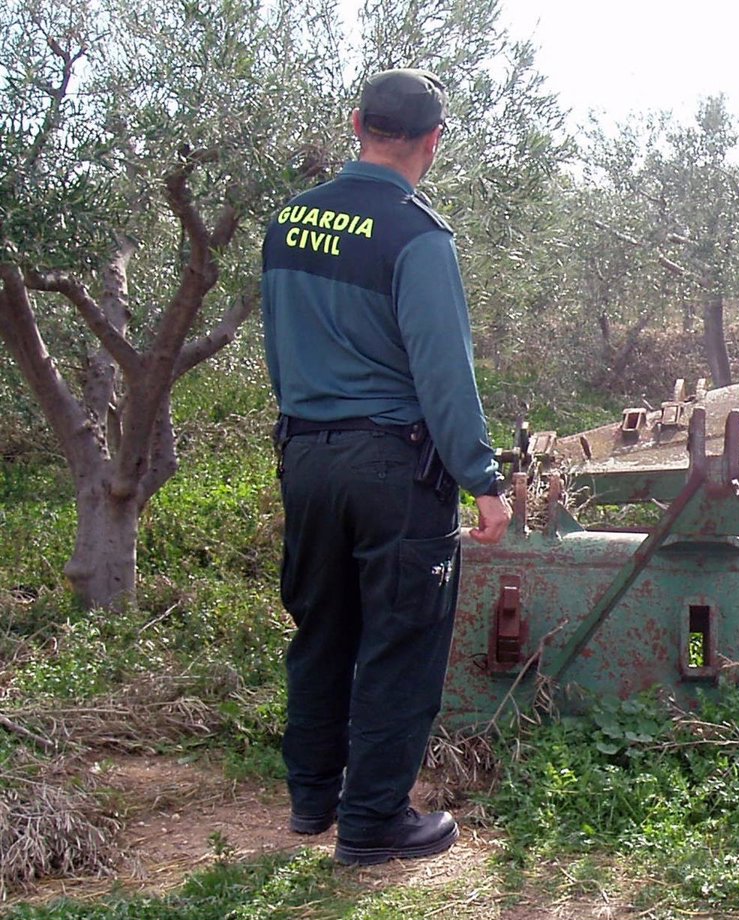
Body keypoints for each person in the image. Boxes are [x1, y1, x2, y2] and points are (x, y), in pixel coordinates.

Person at [260, 68, 512, 866]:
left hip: (305, 453)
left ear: (356, 122)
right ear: (433, 141)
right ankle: (373, 824)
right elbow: (444, 373)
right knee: (401, 640)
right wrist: (483, 479)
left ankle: (312, 799)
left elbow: (279, 342)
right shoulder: (416, 235)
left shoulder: (288, 223)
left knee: (322, 627)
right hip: (392, 468)